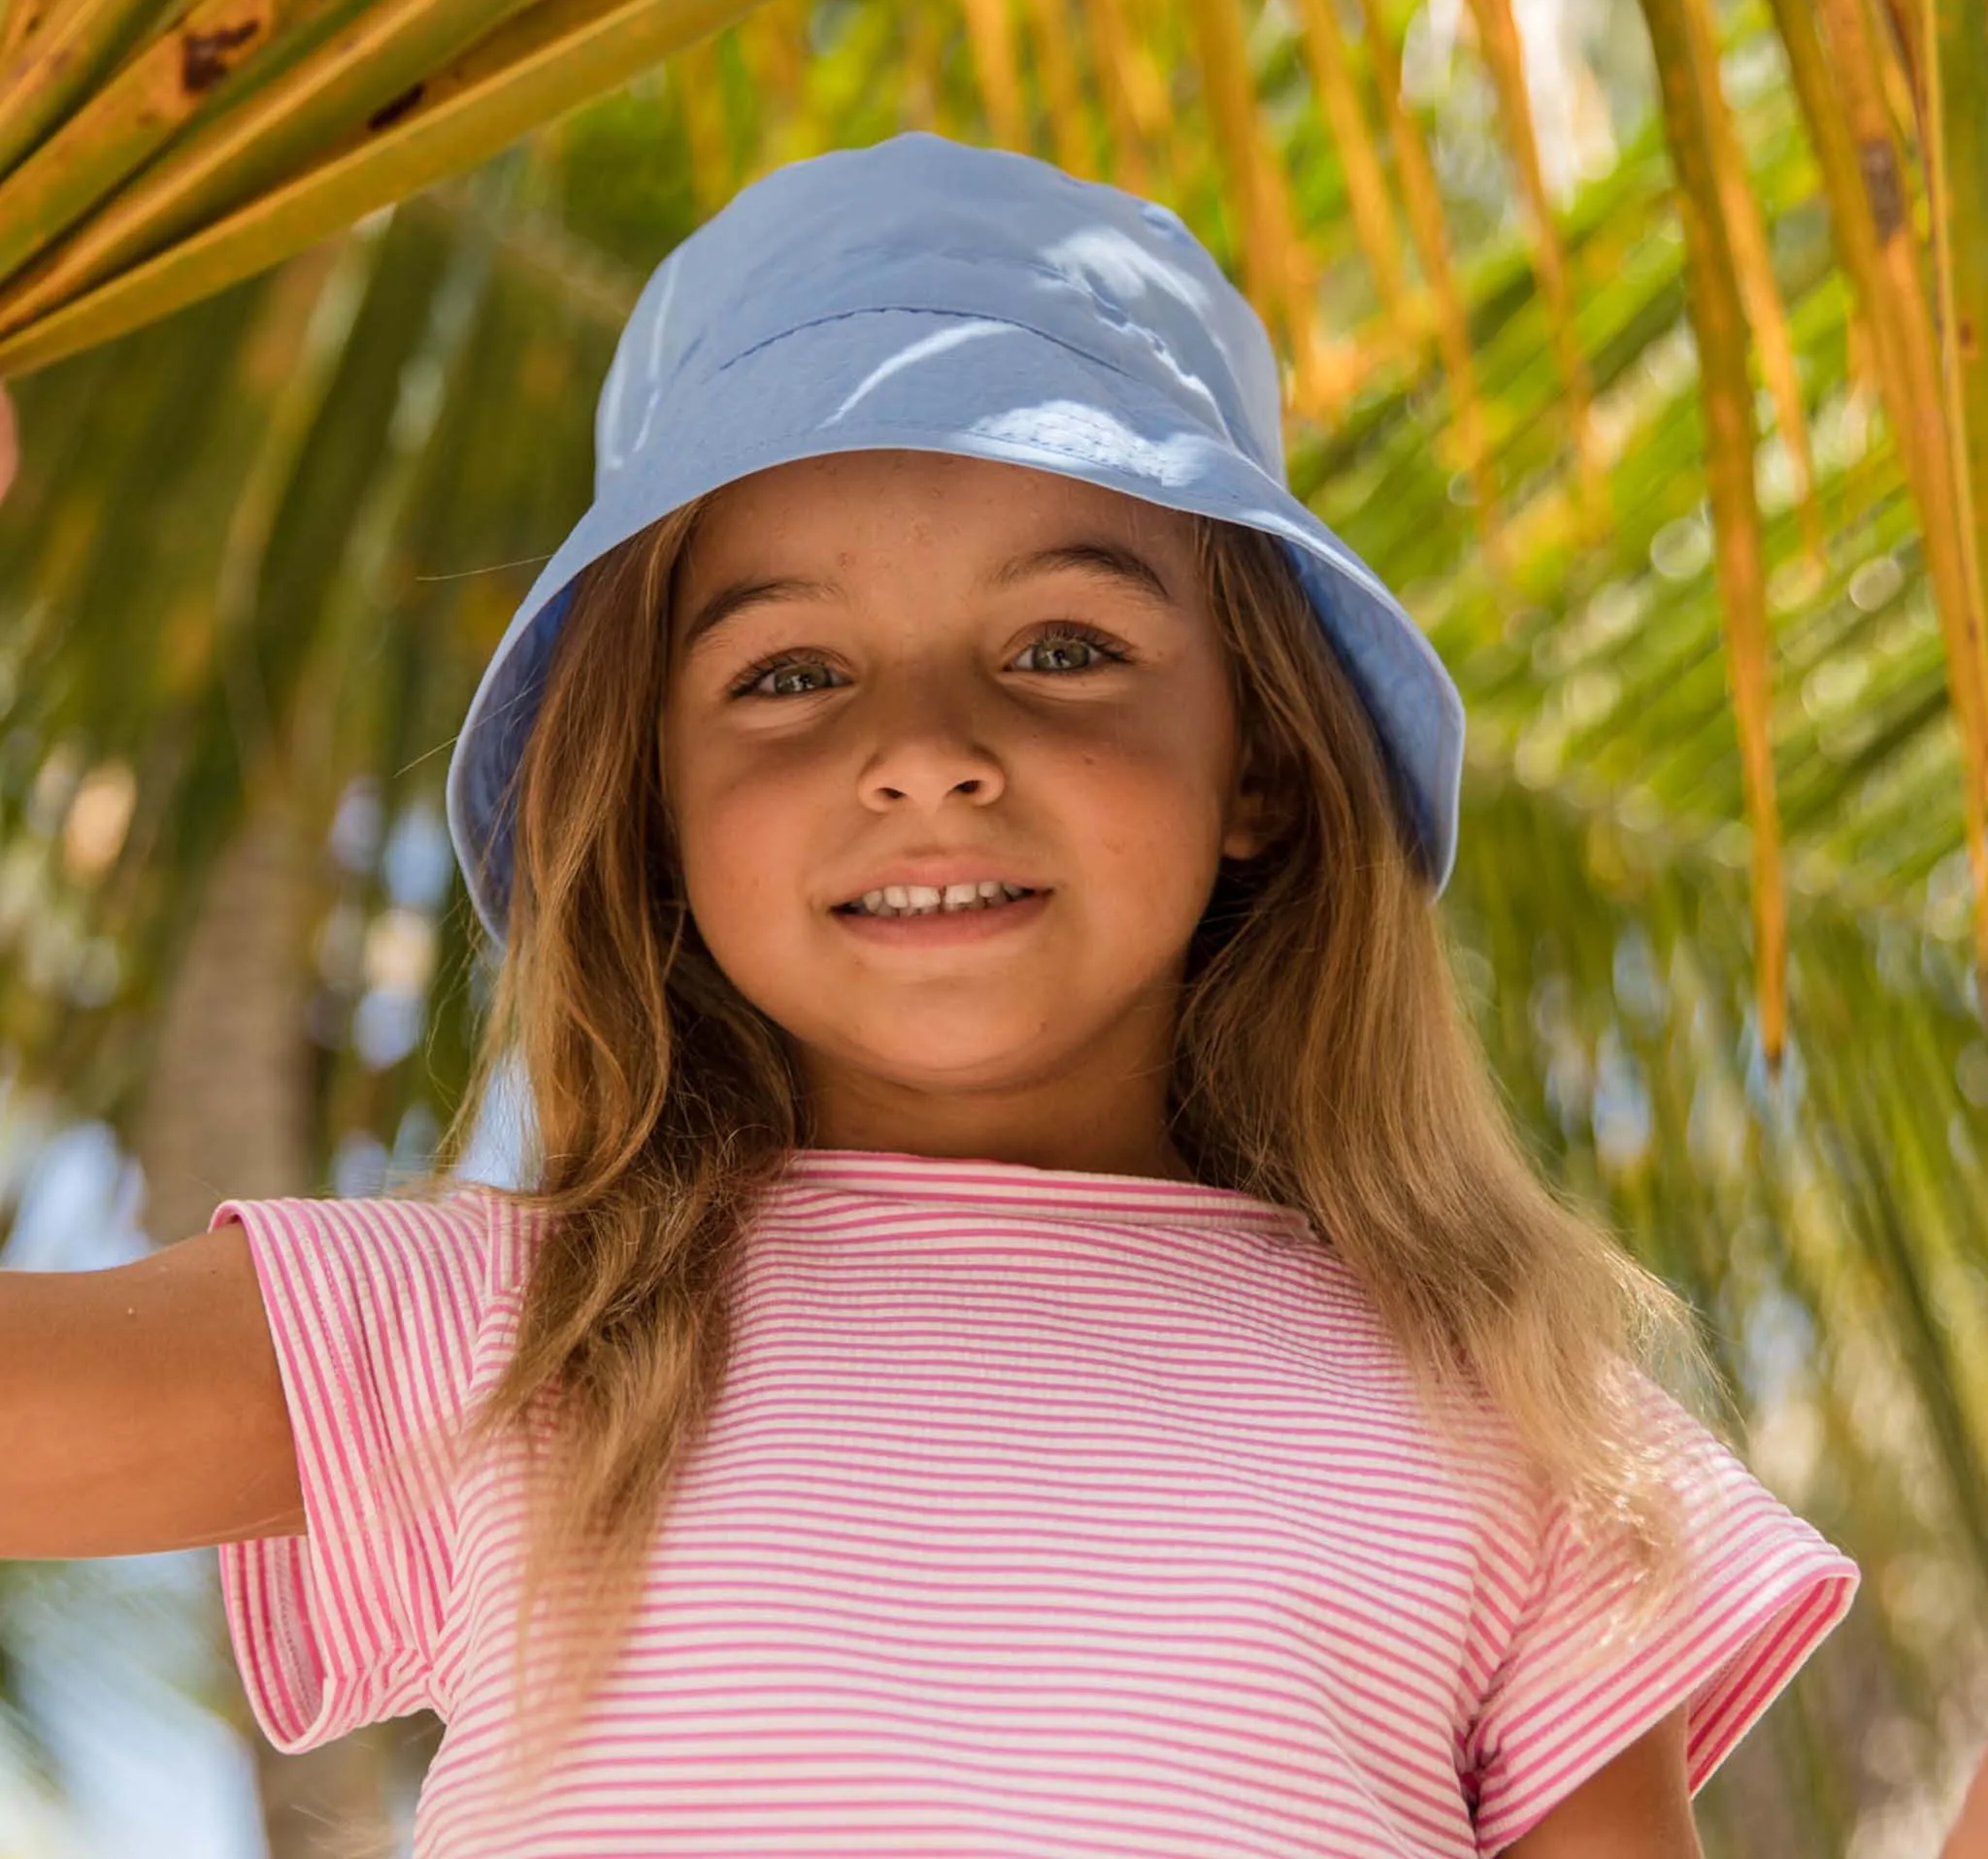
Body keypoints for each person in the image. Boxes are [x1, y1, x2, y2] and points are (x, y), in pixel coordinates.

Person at [0, 134, 1856, 1857]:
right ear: (652, 808)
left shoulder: (1506, 1414)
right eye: (790, 673)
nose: (926, 754)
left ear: (1263, 765)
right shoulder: (506, 1331)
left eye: (1064, 645)